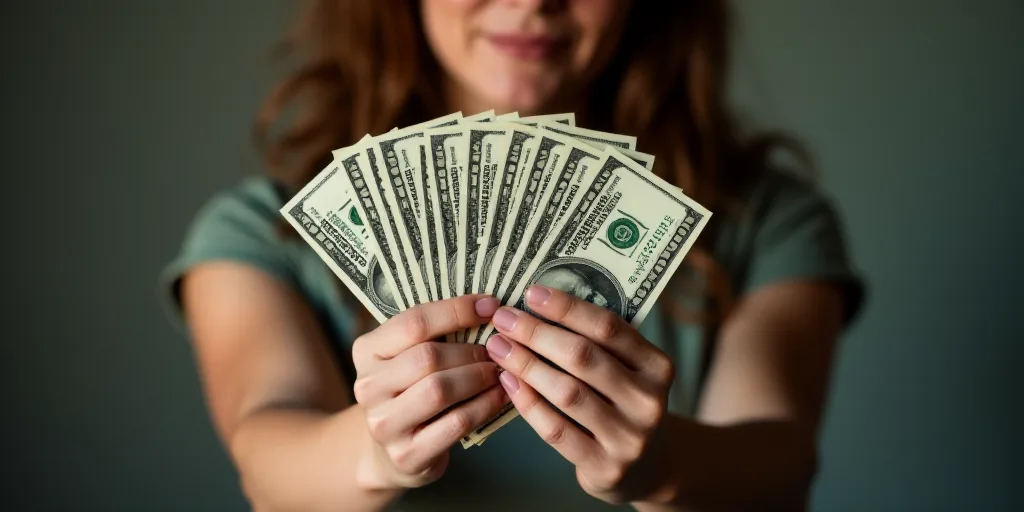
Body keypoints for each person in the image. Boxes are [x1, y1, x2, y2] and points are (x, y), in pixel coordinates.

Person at [160, 1, 865, 510]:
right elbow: (266, 458)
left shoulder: (767, 220)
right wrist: (377, 454)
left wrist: (661, 466)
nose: (532, 3)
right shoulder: (261, 231)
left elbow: (781, 464)